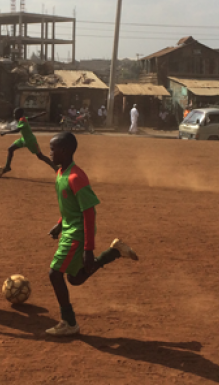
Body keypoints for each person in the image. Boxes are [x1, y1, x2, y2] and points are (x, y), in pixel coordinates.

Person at [44, 132, 138, 336]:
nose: (49, 153)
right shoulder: (60, 173)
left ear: (65, 151)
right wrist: (59, 225)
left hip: (78, 232)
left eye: (53, 149)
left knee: (55, 274)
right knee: (75, 278)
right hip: (69, 229)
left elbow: (88, 212)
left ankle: (69, 323)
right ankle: (114, 252)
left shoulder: (76, 177)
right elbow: (71, 207)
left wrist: (88, 249)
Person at [0, 108, 55, 175]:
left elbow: (17, 130)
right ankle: (7, 167)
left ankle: (55, 167)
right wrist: (40, 114)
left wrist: (5, 133)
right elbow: (32, 118)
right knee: (10, 149)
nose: (14, 115)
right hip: (24, 139)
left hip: (31, 141)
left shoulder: (22, 120)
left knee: (40, 156)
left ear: (19, 114)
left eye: (15, 113)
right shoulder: (23, 118)